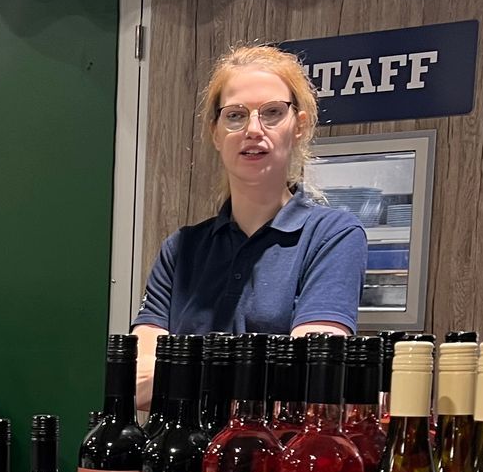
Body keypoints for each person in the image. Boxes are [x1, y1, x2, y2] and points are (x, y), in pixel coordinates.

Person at [132, 44, 368, 409]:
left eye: (272, 113)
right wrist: (261, 372)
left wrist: (179, 373)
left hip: (278, 462)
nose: (253, 130)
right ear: (215, 132)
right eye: (236, 116)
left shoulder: (333, 236)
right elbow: (134, 383)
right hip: (178, 457)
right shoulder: (182, 249)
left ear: (300, 127)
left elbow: (312, 378)